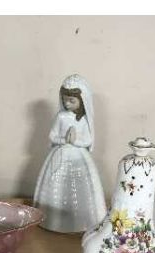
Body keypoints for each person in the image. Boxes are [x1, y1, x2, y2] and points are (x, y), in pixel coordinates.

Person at [33, 74, 107, 233]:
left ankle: (82, 220)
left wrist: (75, 141)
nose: (67, 103)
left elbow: (87, 140)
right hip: (59, 155)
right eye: (65, 99)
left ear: (82, 101)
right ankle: (54, 220)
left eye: (72, 101)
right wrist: (63, 139)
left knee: (82, 188)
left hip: (79, 158)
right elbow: (52, 135)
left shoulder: (84, 120)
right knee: (56, 187)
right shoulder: (61, 116)